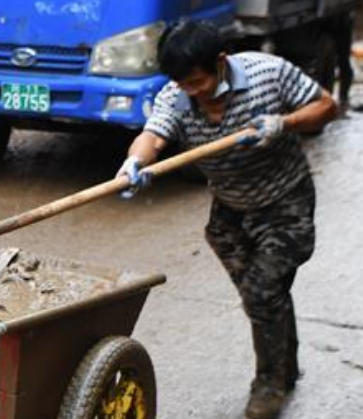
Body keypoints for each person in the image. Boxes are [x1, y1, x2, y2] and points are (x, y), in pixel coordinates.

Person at [117, 21, 337, 419]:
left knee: (261, 293)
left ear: (221, 62)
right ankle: (286, 367)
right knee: (264, 298)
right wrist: (135, 161)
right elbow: (153, 135)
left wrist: (283, 122)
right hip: (230, 212)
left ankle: (269, 384)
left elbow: (326, 106)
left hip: (284, 204)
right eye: (184, 84)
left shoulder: (266, 72)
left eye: (198, 82)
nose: (193, 92)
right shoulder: (177, 94)